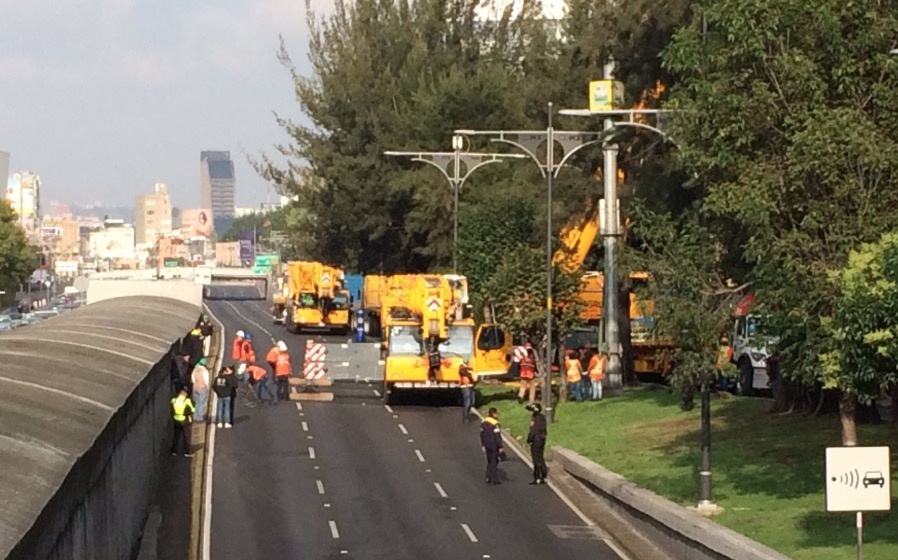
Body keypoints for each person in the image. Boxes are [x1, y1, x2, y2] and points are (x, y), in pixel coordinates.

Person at [479, 407, 505, 485]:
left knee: (489, 461)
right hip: (493, 445)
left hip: (487, 445)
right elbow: (497, 436)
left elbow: (482, 435)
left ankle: (488, 477)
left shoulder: (484, 423)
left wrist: (483, 444)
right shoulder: (495, 424)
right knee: (494, 461)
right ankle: (493, 479)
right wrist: (500, 446)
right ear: (493, 414)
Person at [526, 402, 549, 484]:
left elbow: (533, 431)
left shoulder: (535, 418)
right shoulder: (542, 417)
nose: (530, 412)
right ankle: (543, 476)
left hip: (536, 440)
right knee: (541, 457)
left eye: (531, 411)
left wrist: (529, 439)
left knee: (536, 459)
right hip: (542, 440)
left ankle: (537, 477)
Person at [171, 388, 195, 457]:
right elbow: (193, 409)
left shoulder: (174, 400)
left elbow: (172, 409)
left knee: (176, 436)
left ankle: (174, 451)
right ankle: (187, 452)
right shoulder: (187, 401)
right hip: (185, 420)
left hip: (176, 420)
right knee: (186, 436)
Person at [191, 357, 211, 423]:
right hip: (202, 387)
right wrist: (207, 387)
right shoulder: (204, 371)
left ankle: (195, 416)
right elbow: (206, 380)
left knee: (196, 402)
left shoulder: (195, 369)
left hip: (195, 387)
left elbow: (193, 379)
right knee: (202, 402)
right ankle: (200, 417)